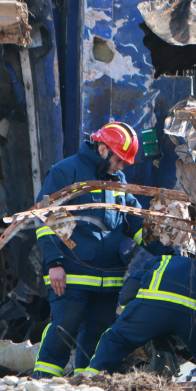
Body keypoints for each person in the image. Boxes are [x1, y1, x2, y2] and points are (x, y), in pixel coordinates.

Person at [33, 122, 147, 377]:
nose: (122, 166)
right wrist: (54, 263)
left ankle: (86, 390)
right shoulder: (66, 172)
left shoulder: (118, 182)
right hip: (71, 274)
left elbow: (135, 223)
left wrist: (169, 247)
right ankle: (41, 386)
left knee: (97, 340)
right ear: (103, 149)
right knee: (63, 329)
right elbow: (46, 219)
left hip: (108, 280)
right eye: (119, 160)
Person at [84, 252, 196, 374]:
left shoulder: (162, 260)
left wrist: (133, 319)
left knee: (117, 338)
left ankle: (93, 377)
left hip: (155, 304)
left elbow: (128, 292)